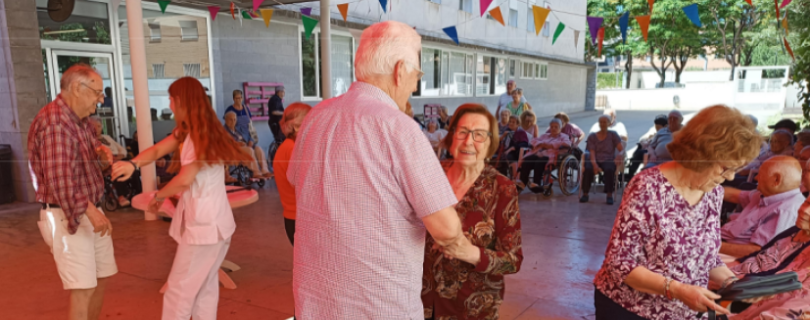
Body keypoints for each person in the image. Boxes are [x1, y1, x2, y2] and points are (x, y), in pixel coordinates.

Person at [287, 21, 478, 319]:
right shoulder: (400, 128)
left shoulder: (315, 118)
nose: (415, 85)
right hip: (377, 305)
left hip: (315, 302)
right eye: (417, 75)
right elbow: (445, 229)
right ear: (400, 70)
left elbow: (297, 182)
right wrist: (472, 252)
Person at [593, 105, 762, 319]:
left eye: (735, 170)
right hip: (632, 309)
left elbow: (705, 258)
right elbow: (619, 264)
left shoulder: (713, 193)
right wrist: (678, 290)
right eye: (724, 168)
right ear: (701, 154)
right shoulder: (648, 186)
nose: (729, 177)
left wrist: (733, 282)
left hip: (684, 312)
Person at [111, 77, 254, 320]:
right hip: (214, 226)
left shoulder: (200, 134)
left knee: (179, 291)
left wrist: (158, 196)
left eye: (171, 98)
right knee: (204, 289)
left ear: (181, 100)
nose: (169, 102)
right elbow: (157, 150)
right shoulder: (195, 131)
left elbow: (186, 178)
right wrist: (132, 164)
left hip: (204, 229)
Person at [28, 64, 116, 320]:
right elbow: (60, 180)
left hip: (88, 209)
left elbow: (89, 155)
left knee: (101, 279)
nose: (101, 99)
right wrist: (91, 211)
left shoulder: (81, 120)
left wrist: (102, 154)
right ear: (78, 88)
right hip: (68, 214)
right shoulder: (55, 123)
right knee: (83, 288)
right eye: (98, 93)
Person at [422, 103, 523, 319]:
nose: (469, 141)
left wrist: (471, 253)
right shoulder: (430, 174)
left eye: (479, 135)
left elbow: (513, 260)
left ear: (490, 143)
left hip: (472, 305)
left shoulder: (502, 188)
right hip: (420, 299)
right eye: (463, 132)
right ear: (452, 136)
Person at [719, 156, 804, 258]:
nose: (756, 177)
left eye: (760, 174)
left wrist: (710, 245)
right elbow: (733, 195)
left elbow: (758, 251)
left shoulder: (785, 210)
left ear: (776, 179)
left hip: (733, 256)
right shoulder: (766, 194)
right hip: (720, 240)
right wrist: (703, 188)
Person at [273, 102, 312, 246]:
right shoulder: (292, 149)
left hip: (295, 217)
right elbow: (306, 185)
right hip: (299, 219)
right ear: (295, 126)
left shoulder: (288, 147)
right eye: (309, 123)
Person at [225, 90, 272, 178]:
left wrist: (251, 140)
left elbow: (250, 125)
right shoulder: (229, 112)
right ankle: (256, 172)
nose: (238, 100)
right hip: (237, 143)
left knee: (258, 149)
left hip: (246, 136)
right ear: (233, 99)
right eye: (236, 98)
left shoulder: (246, 109)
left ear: (242, 98)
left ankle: (265, 170)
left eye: (240, 98)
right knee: (249, 150)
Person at [516, 118, 570, 195]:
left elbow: (567, 144)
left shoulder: (563, 136)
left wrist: (551, 145)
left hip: (551, 156)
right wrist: (541, 144)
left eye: (556, 127)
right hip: (538, 153)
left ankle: (536, 183)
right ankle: (523, 182)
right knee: (527, 160)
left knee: (539, 161)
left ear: (560, 128)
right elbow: (533, 141)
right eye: (552, 127)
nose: (553, 128)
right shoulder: (545, 135)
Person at [580, 115, 624, 205]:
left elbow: (621, 149)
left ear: (609, 123)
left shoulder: (613, 134)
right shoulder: (592, 136)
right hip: (594, 158)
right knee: (588, 169)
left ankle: (609, 195)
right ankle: (585, 194)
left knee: (609, 169)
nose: (603, 124)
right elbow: (591, 152)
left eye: (605, 122)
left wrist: (620, 155)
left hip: (608, 158)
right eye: (601, 122)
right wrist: (595, 165)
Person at [627, 114, 667, 182]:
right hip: (650, 151)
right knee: (639, 147)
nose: (657, 128)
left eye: (658, 127)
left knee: (639, 153)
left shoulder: (665, 133)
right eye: (656, 126)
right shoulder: (656, 132)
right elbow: (645, 140)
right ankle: (631, 171)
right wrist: (649, 139)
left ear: (665, 126)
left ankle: (631, 173)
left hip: (657, 154)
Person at [501, 115, 531, 180]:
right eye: (510, 121)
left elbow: (524, 143)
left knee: (510, 158)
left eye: (513, 122)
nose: (511, 123)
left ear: (518, 124)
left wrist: (512, 148)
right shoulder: (507, 131)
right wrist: (504, 135)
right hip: (506, 151)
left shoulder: (521, 132)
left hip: (516, 152)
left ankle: (516, 178)